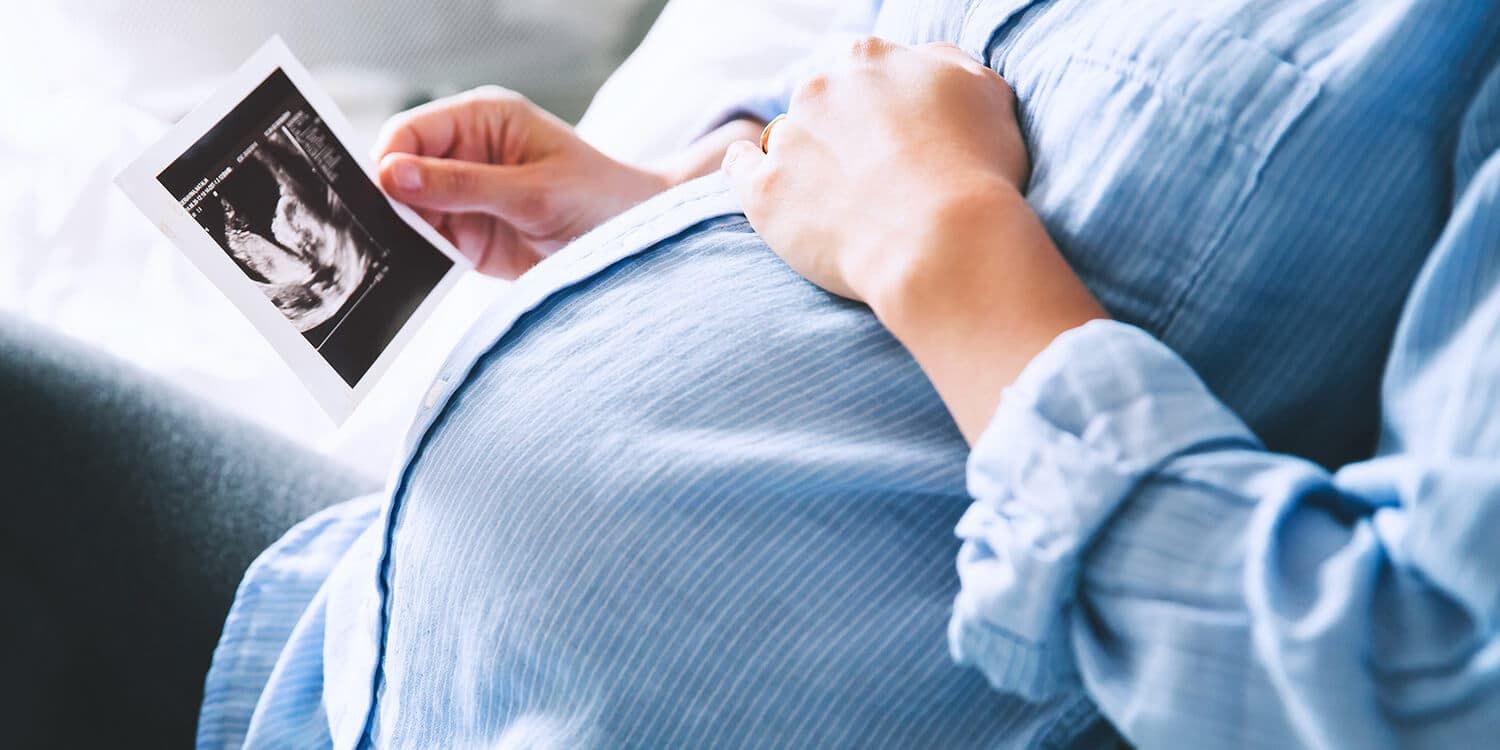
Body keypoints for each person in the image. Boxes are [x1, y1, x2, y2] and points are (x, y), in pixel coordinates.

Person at [4, 2, 1497, 749]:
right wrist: (683, 204)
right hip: (358, 650)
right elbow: (967, 174)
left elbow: (1414, 670)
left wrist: (940, 230)